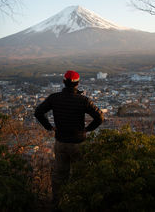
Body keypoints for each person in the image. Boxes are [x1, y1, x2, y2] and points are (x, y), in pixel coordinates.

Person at [34, 70, 104, 208]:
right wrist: (88, 129)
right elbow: (100, 117)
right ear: (78, 83)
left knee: (59, 175)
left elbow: (38, 112)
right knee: (80, 174)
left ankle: (57, 204)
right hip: (78, 143)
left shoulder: (54, 98)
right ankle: (79, 203)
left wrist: (49, 127)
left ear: (63, 82)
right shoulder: (83, 100)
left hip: (61, 142)